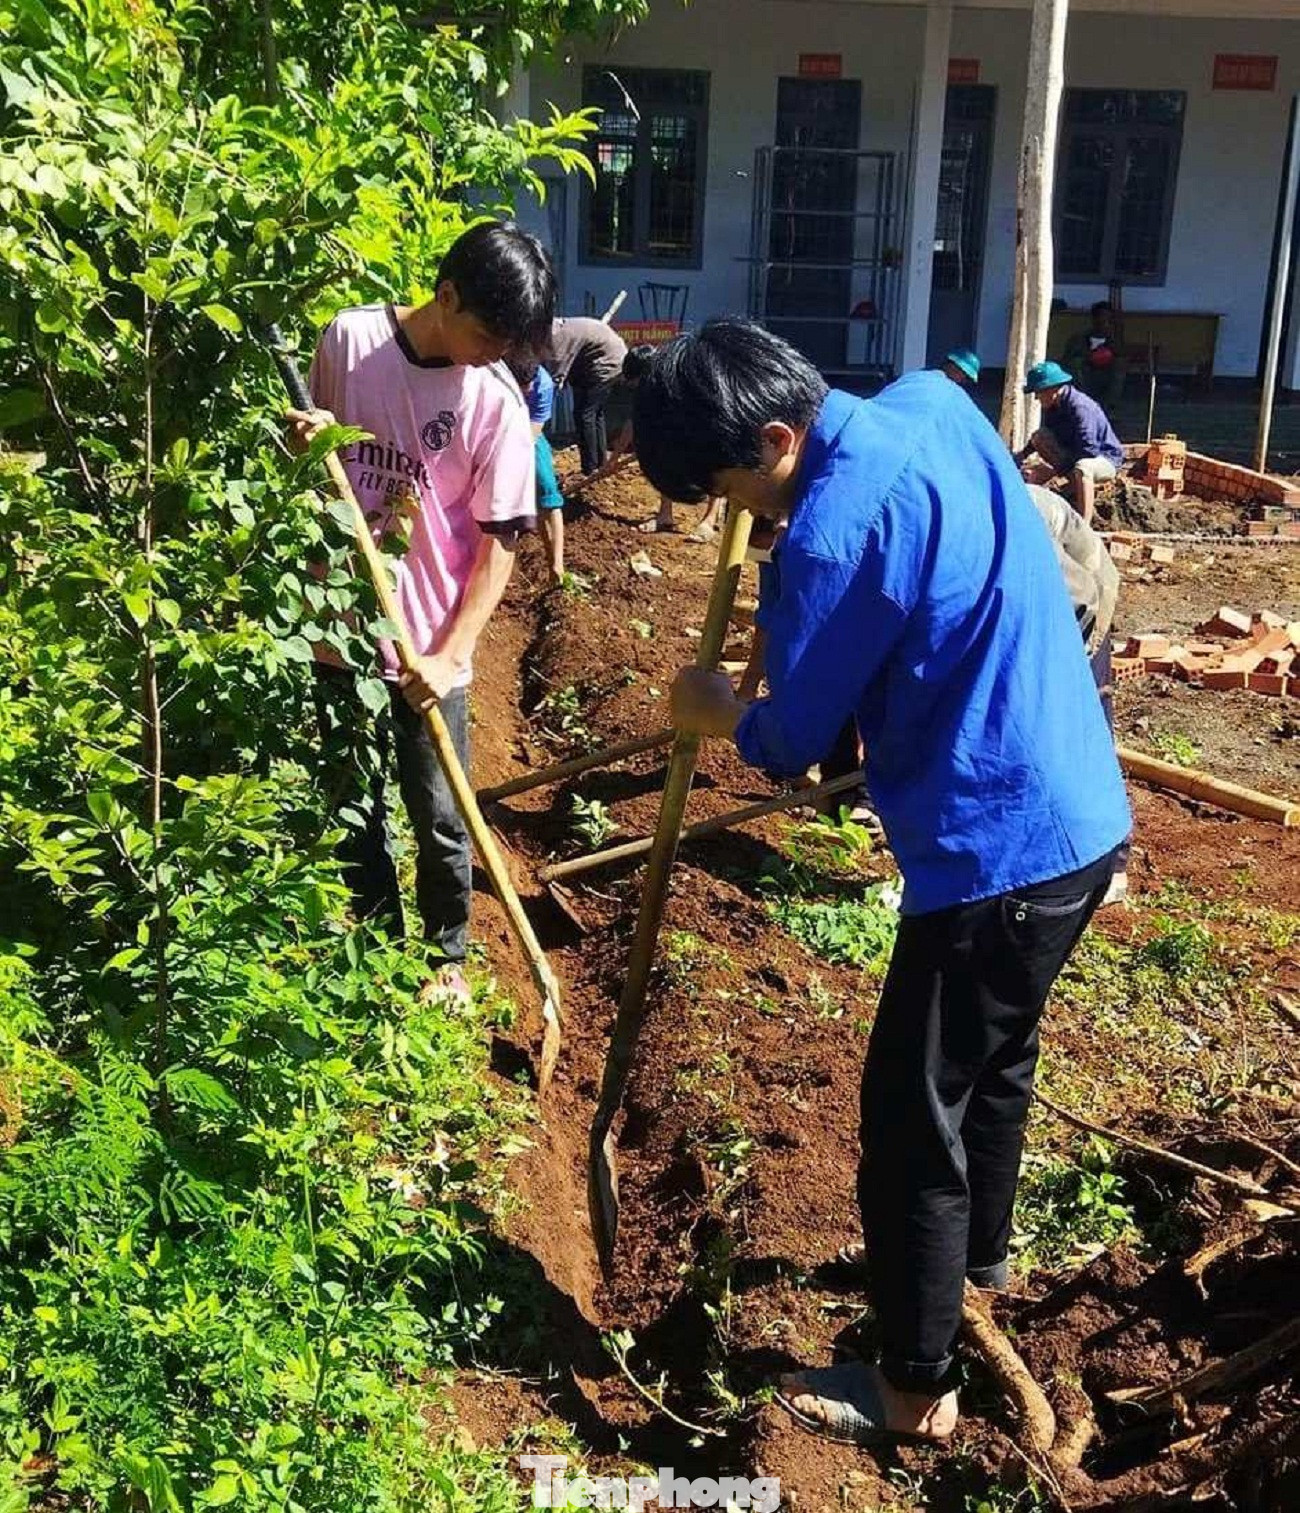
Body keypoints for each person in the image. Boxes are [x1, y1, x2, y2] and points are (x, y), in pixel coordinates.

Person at [633, 319, 1130, 1446]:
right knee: (993, 1061)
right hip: (1082, 822)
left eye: (731, 490)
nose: (738, 515)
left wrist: (719, 710)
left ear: (772, 438)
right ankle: (978, 1269)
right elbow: (906, 597)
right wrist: (794, 627)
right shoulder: (931, 404)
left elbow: (789, 742)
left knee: (910, 1117)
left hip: (988, 855)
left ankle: (914, 1387)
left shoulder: (827, 540)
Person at [286, 220, 554, 993]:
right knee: (353, 806)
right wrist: (298, 446)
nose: (496, 355)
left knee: (440, 813)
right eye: (488, 335)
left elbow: (501, 540)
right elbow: (312, 462)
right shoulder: (347, 341)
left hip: (432, 647)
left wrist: (451, 654)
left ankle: (447, 958)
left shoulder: (495, 401)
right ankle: (373, 948)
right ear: (446, 295)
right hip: (337, 630)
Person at [1024, 483, 1130, 906]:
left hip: (1086, 596)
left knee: (1085, 728)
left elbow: (1079, 602)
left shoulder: (1014, 524)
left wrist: (1054, 675)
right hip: (1052, 592)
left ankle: (1114, 863)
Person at [585, 346, 726, 541]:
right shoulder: (648, 388)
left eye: (636, 382)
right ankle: (664, 516)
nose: (635, 387)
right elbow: (632, 422)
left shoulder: (681, 377)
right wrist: (613, 459)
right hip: (682, 424)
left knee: (713, 466)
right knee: (661, 460)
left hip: (710, 419)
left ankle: (709, 520)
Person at [1015, 360, 1125, 525]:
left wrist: (1061, 475)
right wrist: (1021, 456)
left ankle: (1083, 524)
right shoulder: (1053, 407)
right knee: (1040, 437)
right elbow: (1048, 434)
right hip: (1075, 457)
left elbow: (1089, 450)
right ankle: (1071, 486)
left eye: (1038, 392)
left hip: (1104, 460)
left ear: (1052, 389)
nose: (1037, 398)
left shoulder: (1081, 407)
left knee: (1083, 467)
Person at [545, 316, 628, 475]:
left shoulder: (557, 338)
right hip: (607, 361)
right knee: (596, 413)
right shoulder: (561, 328)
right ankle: (599, 462)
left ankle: (589, 468)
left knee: (584, 415)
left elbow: (556, 379)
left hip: (605, 365)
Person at [511, 355, 566, 586]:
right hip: (496, 429)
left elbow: (533, 433)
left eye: (529, 385)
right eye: (522, 387)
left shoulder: (543, 384)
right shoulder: (494, 378)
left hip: (529, 435)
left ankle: (556, 565)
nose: (528, 390)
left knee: (547, 494)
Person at [1062, 300, 1126, 412]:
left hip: (1106, 374)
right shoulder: (1079, 339)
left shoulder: (1114, 341)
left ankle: (1108, 406)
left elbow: (1121, 356)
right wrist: (1089, 357)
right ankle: (1083, 401)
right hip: (1085, 374)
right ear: (1094, 319)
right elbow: (1068, 359)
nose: (1103, 321)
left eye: (1107, 318)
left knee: (1119, 367)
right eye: (1100, 317)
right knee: (1076, 364)